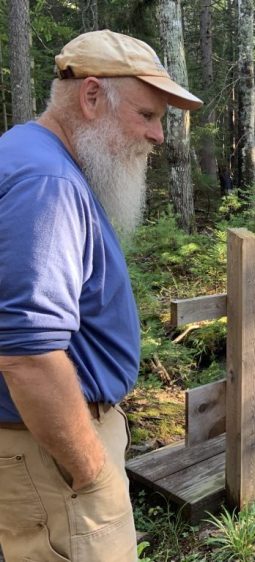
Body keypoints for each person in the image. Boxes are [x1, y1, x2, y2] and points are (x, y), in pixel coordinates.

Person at [0, 30, 202, 561]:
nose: (160, 137)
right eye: (147, 115)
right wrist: (90, 470)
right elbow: (28, 355)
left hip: (43, 451)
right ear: (91, 97)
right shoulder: (49, 183)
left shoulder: (26, 152)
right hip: (54, 461)